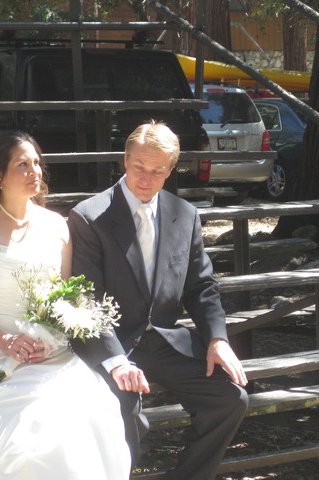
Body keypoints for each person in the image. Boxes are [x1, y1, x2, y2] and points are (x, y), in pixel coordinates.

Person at [0, 133, 130, 480]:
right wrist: (6, 341)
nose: (35, 171)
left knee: (93, 411)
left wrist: (55, 334)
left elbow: (67, 295)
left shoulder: (57, 226)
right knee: (32, 437)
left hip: (51, 351)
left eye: (36, 163)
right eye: (22, 164)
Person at [68, 121, 249, 480]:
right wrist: (116, 362)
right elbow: (84, 299)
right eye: (139, 167)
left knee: (230, 400)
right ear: (125, 160)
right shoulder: (89, 216)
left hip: (166, 341)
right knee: (122, 410)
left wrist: (217, 339)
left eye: (158, 170)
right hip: (111, 343)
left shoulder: (185, 214)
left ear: (170, 170)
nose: (146, 178)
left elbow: (201, 286)